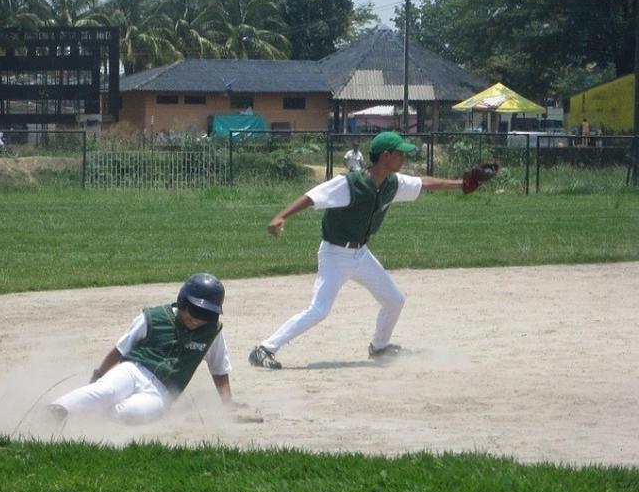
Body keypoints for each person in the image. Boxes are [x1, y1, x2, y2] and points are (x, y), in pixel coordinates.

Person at [248, 132, 495, 369]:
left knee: (394, 300)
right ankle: (265, 349)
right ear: (386, 156)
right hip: (334, 255)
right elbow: (312, 197)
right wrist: (280, 217)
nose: (404, 157)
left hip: (360, 254)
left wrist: (462, 184)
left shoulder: (392, 183)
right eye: (400, 153)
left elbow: (424, 183)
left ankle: (379, 347)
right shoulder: (350, 184)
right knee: (319, 310)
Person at [49, 273, 243, 424]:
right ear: (182, 301)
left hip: (161, 393)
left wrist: (227, 404)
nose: (199, 319)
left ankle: (88, 417)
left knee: (131, 413)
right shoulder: (154, 317)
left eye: (207, 314)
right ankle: (55, 411)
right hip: (132, 370)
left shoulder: (212, 332)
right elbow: (120, 350)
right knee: (105, 390)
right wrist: (99, 375)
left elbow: (219, 368)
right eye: (195, 311)